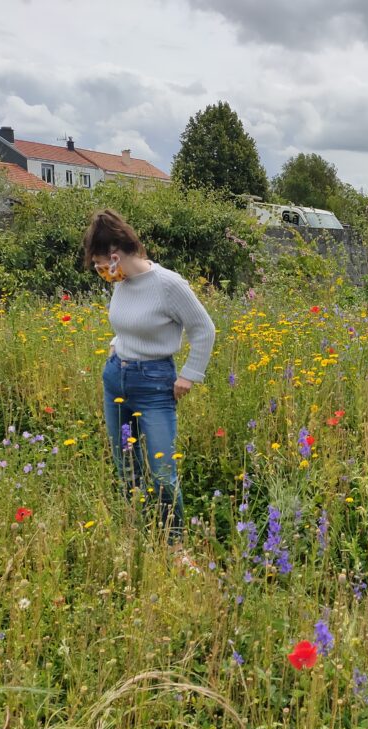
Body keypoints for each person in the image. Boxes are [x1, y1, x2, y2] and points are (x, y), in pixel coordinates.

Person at [83, 209, 216, 542]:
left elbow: (203, 328)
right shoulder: (122, 283)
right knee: (126, 463)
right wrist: (117, 345)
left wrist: (189, 374)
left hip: (154, 384)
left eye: (100, 263)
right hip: (116, 380)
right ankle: (137, 533)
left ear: (115, 255)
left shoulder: (168, 284)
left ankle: (174, 545)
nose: (100, 270)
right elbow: (129, 323)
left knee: (163, 472)